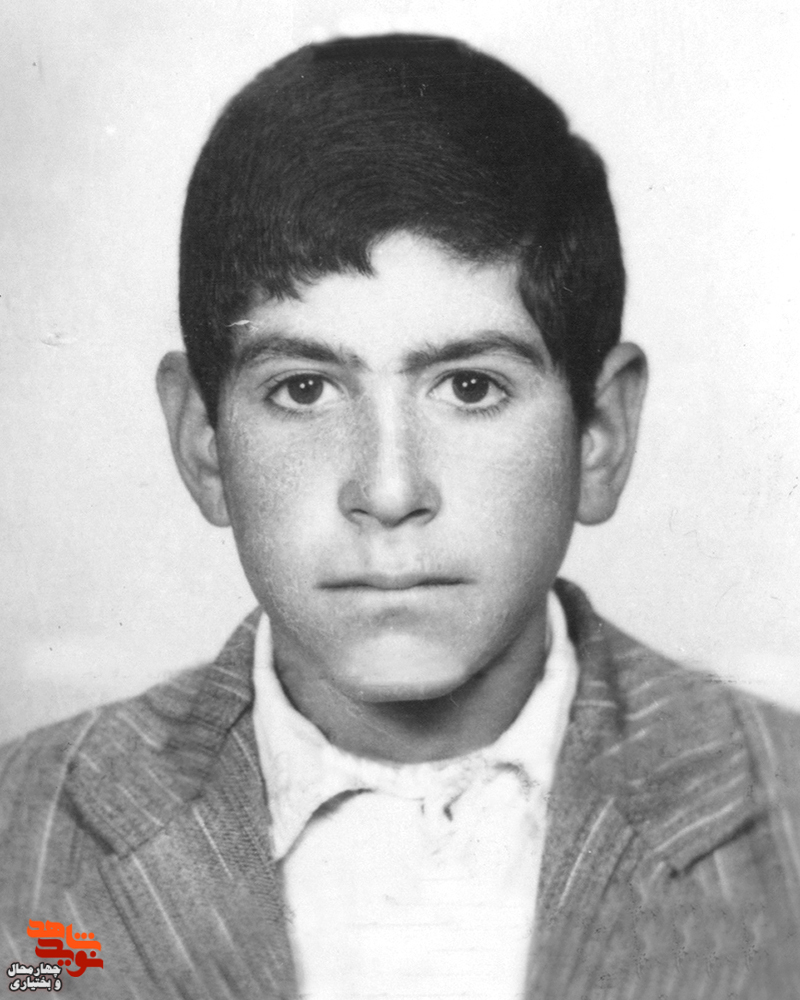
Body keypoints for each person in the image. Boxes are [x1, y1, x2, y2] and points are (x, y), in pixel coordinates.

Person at [1, 33, 798, 1000]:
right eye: (303, 389)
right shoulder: (23, 841)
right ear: (203, 441)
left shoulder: (783, 814)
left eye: (469, 387)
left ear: (600, 434)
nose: (387, 491)